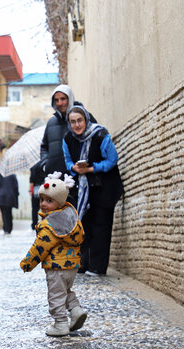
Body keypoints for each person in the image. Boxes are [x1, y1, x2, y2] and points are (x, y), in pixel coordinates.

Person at [20, 172, 88, 337]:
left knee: (56, 295)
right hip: (72, 267)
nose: (43, 204)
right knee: (65, 290)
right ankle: (76, 310)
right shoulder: (71, 217)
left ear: (60, 202)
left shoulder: (50, 224)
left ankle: (60, 324)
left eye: (49, 201)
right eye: (42, 200)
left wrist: (27, 263)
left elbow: (40, 247)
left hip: (57, 268)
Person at [62, 105, 124, 276]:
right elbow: (67, 160)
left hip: (104, 186)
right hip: (83, 189)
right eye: (73, 121)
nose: (77, 125)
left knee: (101, 226)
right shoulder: (68, 138)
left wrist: (91, 169)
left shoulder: (100, 135)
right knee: (84, 225)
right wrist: (74, 168)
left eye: (79, 120)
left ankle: (97, 267)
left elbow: (112, 159)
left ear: (86, 119)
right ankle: (83, 264)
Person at [40, 85, 97, 205]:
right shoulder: (51, 123)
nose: (60, 103)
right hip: (56, 180)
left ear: (70, 98)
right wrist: (46, 164)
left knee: (78, 216)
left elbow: (95, 141)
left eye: (63, 99)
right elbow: (44, 146)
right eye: (56, 100)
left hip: (77, 178)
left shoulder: (84, 118)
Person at [29, 160, 46, 230]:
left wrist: (31, 192)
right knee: (45, 206)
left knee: (34, 209)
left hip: (36, 190)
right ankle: (44, 221)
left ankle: (34, 224)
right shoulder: (44, 163)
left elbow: (31, 182)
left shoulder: (33, 167)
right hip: (45, 188)